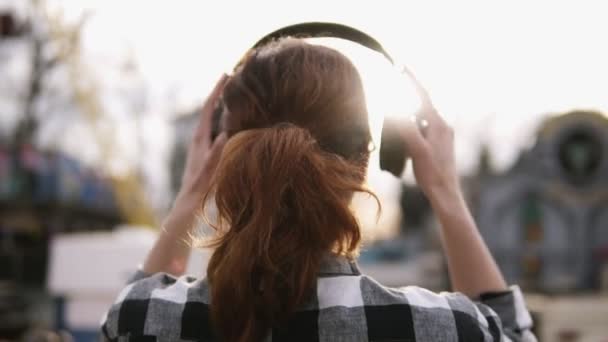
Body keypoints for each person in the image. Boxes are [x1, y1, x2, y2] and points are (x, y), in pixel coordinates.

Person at [101, 38, 536, 342]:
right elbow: (510, 332)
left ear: (223, 160)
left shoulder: (144, 319)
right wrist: (446, 195)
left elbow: (123, 312)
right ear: (365, 162)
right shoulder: (448, 327)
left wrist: (187, 201)